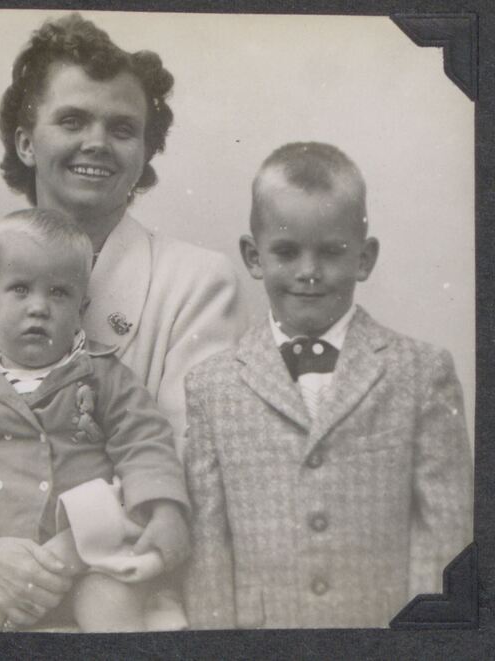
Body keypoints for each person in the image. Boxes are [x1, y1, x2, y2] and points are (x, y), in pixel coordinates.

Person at [0, 13, 246, 629]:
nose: (97, 143)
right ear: (27, 142)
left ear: (145, 153)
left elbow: (184, 462)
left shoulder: (197, 282)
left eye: (124, 128)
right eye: (72, 120)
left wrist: (58, 560)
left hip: (125, 581)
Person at [183, 142, 473, 629]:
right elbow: (209, 548)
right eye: (286, 252)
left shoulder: (422, 371)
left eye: (332, 252)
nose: (309, 272)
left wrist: (426, 642)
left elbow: (444, 530)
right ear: (254, 257)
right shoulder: (212, 386)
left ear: (365, 258)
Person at [0, 209, 191, 632]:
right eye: (20, 290)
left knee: (112, 605)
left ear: (82, 308)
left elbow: (145, 442)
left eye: (59, 294)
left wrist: (165, 508)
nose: (39, 308)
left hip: (88, 560)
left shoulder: (101, 373)